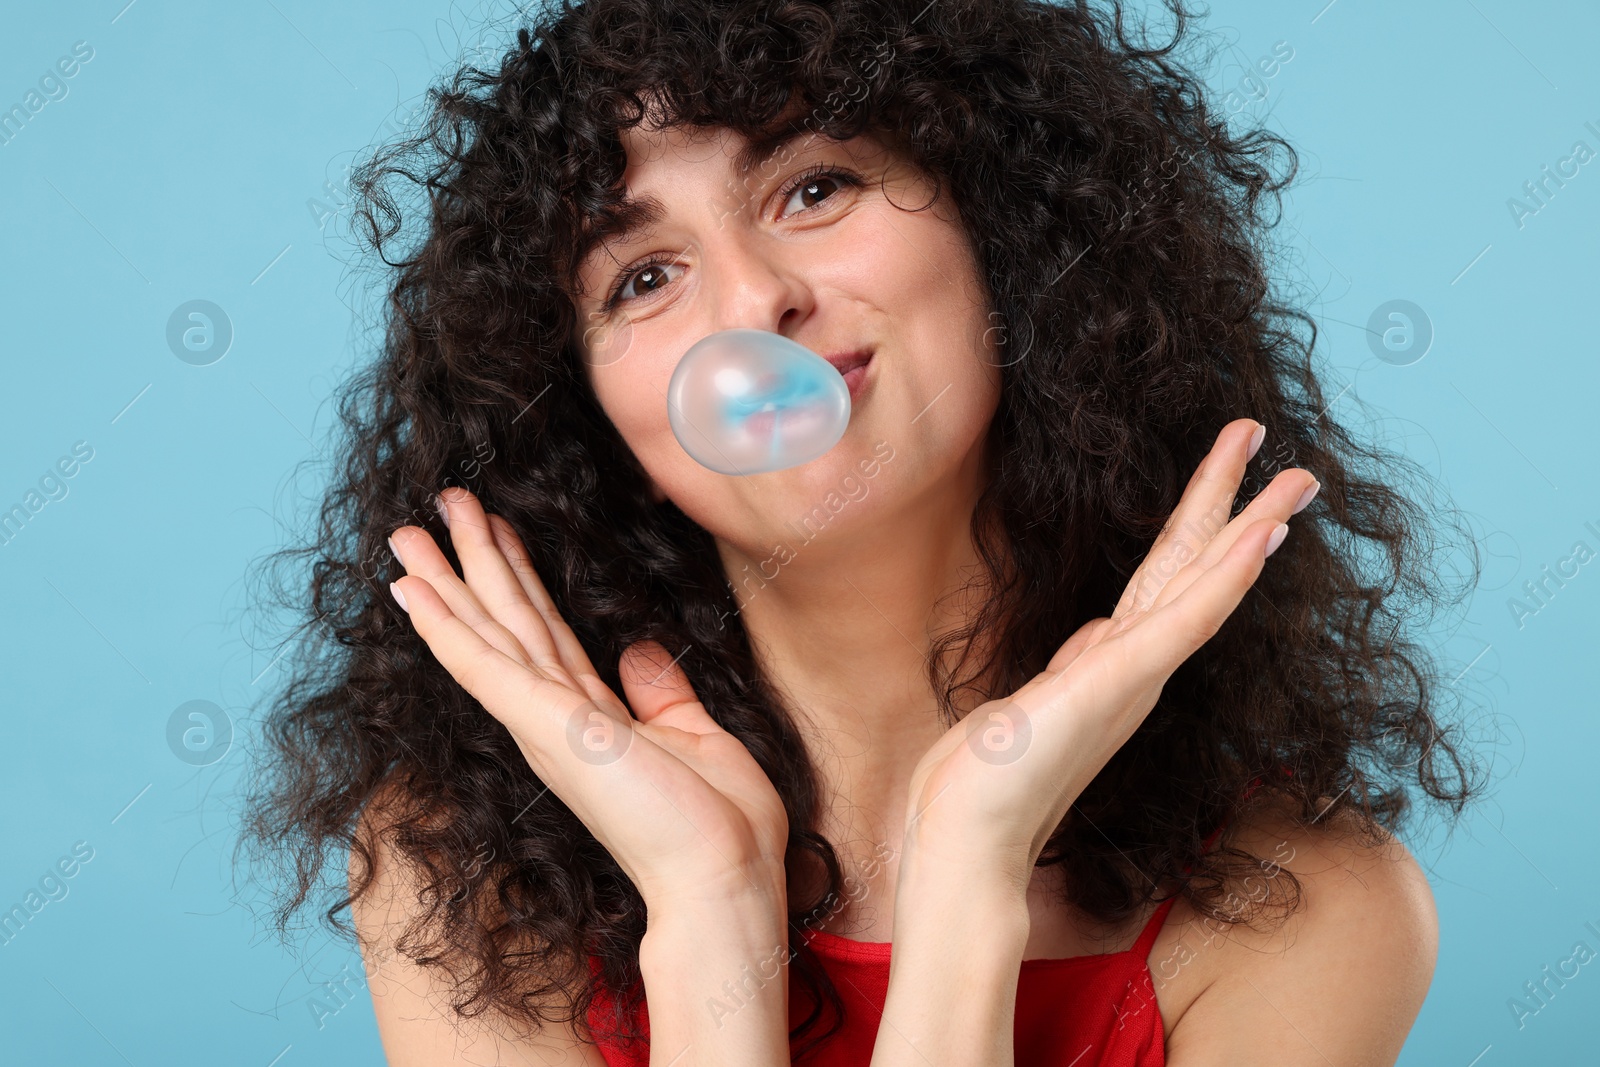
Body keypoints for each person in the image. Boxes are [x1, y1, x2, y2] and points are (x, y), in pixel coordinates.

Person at [241, 0, 1481, 1063]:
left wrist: (967, 870)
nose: (751, 300)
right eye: (643, 276)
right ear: (591, 428)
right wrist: (707, 905)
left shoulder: (1311, 910)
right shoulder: (464, 870)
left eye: (814, 186)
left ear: (1006, 232)